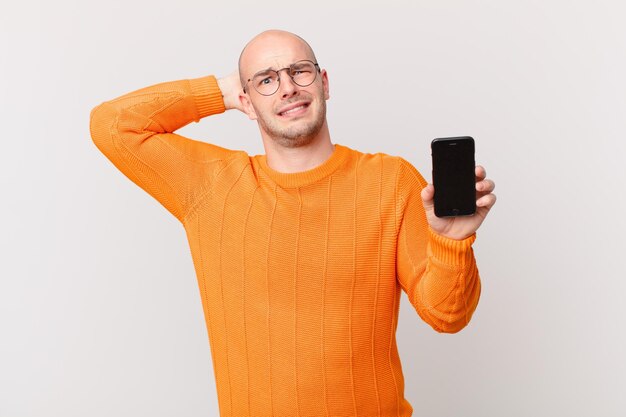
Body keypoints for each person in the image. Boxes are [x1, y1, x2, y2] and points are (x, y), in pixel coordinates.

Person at [89, 29, 496, 417]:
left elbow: (448, 316)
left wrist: (451, 243)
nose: (287, 87)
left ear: (324, 83)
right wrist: (220, 91)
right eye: (266, 79)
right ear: (245, 101)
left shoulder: (390, 181)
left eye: (299, 71)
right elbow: (112, 125)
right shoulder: (213, 187)